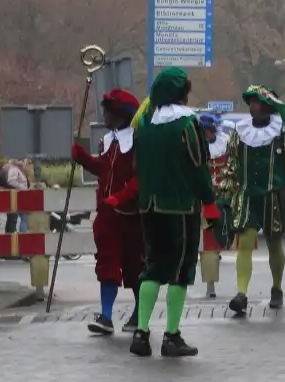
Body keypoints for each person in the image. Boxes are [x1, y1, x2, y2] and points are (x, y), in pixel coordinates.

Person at [129, 66, 214, 357]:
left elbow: (136, 166)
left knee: (153, 267)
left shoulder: (145, 125)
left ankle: (141, 334)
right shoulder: (187, 124)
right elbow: (198, 167)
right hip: (179, 207)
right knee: (180, 271)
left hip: (148, 206)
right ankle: (171, 335)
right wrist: (209, 200)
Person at [217, 85, 285, 315]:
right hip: (248, 195)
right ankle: (241, 294)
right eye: (250, 102)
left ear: (268, 106)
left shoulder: (284, 133)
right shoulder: (240, 133)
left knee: (274, 243)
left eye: (257, 102)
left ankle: (277, 287)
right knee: (245, 242)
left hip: (274, 196)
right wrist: (224, 195)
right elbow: (231, 166)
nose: (253, 107)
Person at [71, 89, 144, 335]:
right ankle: (106, 316)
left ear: (120, 115)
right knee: (107, 264)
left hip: (133, 216)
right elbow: (104, 170)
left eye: (108, 111)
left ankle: (139, 314)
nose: (104, 115)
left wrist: (120, 197)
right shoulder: (107, 140)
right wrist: (82, 158)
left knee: (136, 266)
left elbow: (140, 178)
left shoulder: (138, 140)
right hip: (108, 216)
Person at [199, 114, 229, 299]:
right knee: (207, 246)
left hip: (223, 198)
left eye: (209, 130)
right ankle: (209, 284)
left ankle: (213, 285)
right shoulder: (195, 148)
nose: (207, 133)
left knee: (216, 243)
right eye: (204, 131)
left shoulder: (226, 145)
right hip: (202, 199)